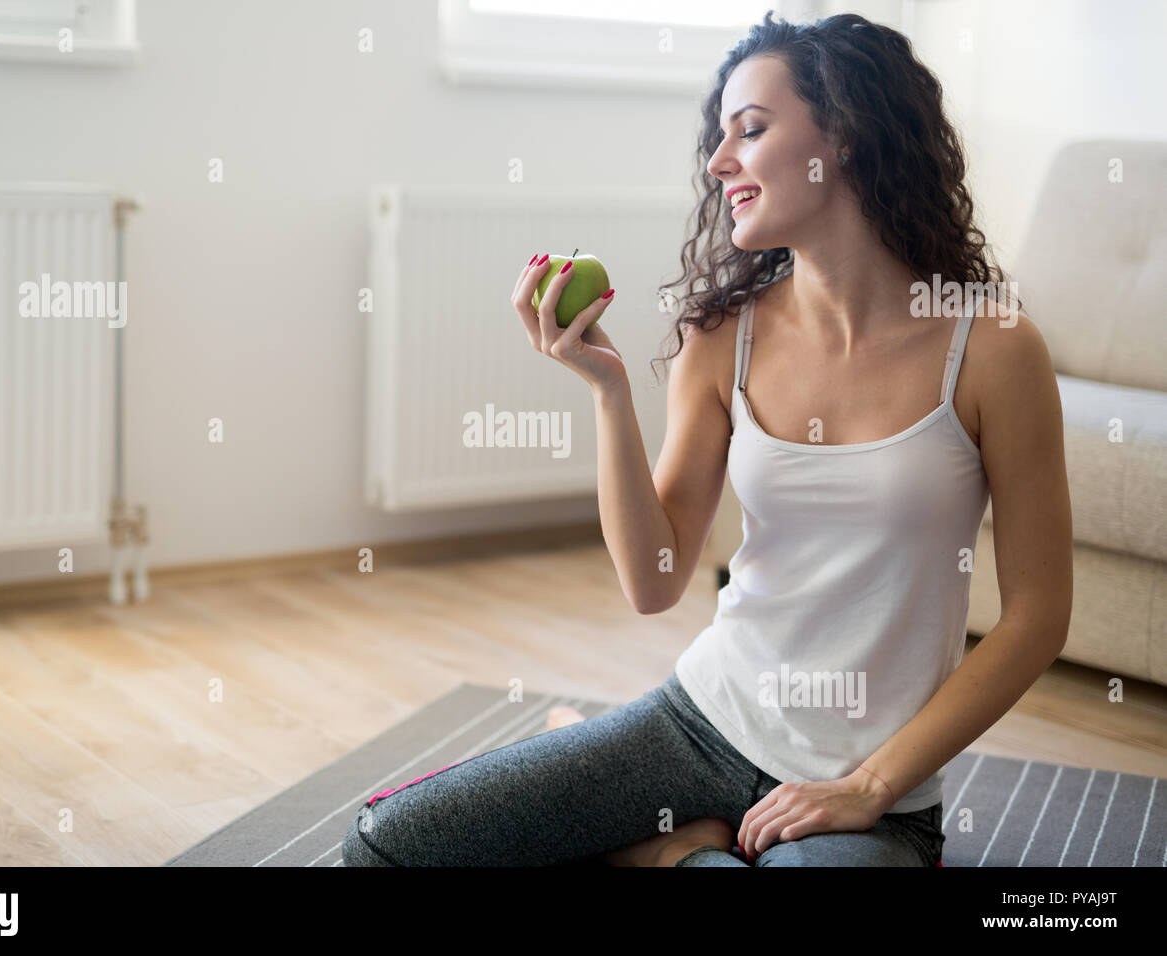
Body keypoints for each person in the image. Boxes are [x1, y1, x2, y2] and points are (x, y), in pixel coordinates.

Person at [341, 10, 1072, 867]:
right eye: (718, 137)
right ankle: (683, 851)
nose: (720, 162)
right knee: (386, 850)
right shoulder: (722, 337)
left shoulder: (992, 349)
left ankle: (668, 855)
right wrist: (610, 395)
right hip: (701, 725)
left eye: (751, 131)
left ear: (844, 135)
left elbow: (1037, 617)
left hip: (873, 789)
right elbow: (655, 584)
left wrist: (871, 786)